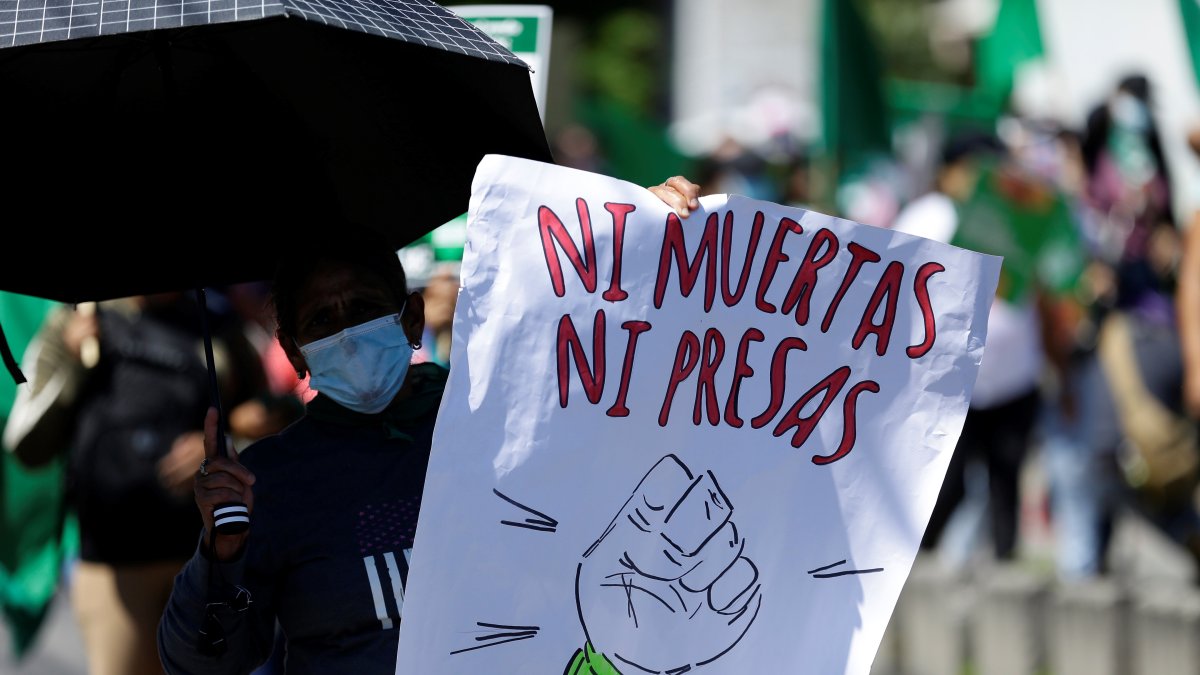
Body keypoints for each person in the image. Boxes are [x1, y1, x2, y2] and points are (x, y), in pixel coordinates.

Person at [157, 177, 703, 674]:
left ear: (411, 319)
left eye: (366, 308)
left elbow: (623, 408)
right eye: (322, 320)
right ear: (295, 354)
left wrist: (641, 233)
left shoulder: (500, 421)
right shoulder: (268, 482)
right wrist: (221, 553)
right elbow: (200, 664)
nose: (347, 331)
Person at [4, 291, 267, 675]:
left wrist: (219, 445)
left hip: (203, 565)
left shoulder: (220, 328)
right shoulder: (77, 321)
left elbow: (272, 418)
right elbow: (25, 444)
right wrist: (71, 367)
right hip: (113, 570)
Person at [893, 131, 1086, 565]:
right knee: (948, 484)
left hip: (1014, 380)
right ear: (951, 172)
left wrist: (1063, 372)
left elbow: (1049, 293)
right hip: (946, 385)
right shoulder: (928, 217)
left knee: (1006, 482)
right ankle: (911, 569)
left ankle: (1006, 576)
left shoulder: (1023, 217)